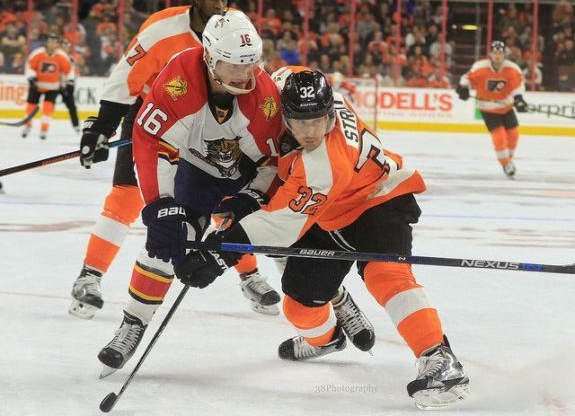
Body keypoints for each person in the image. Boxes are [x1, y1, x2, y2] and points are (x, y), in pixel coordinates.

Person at [174, 70, 470, 410]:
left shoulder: (325, 161)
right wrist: (249, 197)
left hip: (378, 200)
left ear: (330, 113)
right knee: (298, 303)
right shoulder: (296, 85)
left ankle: (439, 358)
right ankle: (327, 340)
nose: (310, 131)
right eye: (300, 123)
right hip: (327, 212)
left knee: (385, 275)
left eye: (318, 121)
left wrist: (219, 253)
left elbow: (282, 225)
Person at [69, 0, 280, 320]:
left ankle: (248, 274)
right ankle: (90, 276)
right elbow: (127, 76)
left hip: (216, 128)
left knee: (224, 201)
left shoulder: (235, 26)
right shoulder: (162, 28)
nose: (222, 5)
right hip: (158, 122)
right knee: (127, 196)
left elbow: (253, 76)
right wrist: (101, 128)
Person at [456, 40, 528, 179]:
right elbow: (466, 78)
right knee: (499, 136)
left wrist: (518, 98)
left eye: (500, 53)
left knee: (513, 135)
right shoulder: (480, 67)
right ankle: (506, 164)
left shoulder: (512, 69)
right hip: (487, 108)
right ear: (490, 54)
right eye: (495, 53)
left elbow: (518, 86)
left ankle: (509, 160)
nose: (497, 56)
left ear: (504, 54)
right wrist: (464, 88)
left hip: (506, 107)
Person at [22, 31, 72, 140]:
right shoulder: (38, 53)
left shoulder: (62, 56)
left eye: (55, 42)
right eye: (50, 42)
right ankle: (27, 125)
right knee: (31, 105)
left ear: (57, 44)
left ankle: (44, 129)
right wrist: (31, 77)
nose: (52, 44)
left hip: (52, 87)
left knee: (48, 108)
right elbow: (29, 65)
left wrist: (67, 82)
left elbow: (68, 71)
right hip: (37, 85)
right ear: (47, 43)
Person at [59, 39, 80, 133]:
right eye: (63, 46)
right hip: (55, 85)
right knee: (48, 102)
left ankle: (76, 125)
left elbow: (74, 73)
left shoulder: (71, 59)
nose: (65, 48)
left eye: (66, 46)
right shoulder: (57, 56)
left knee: (71, 106)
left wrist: (70, 83)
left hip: (67, 85)